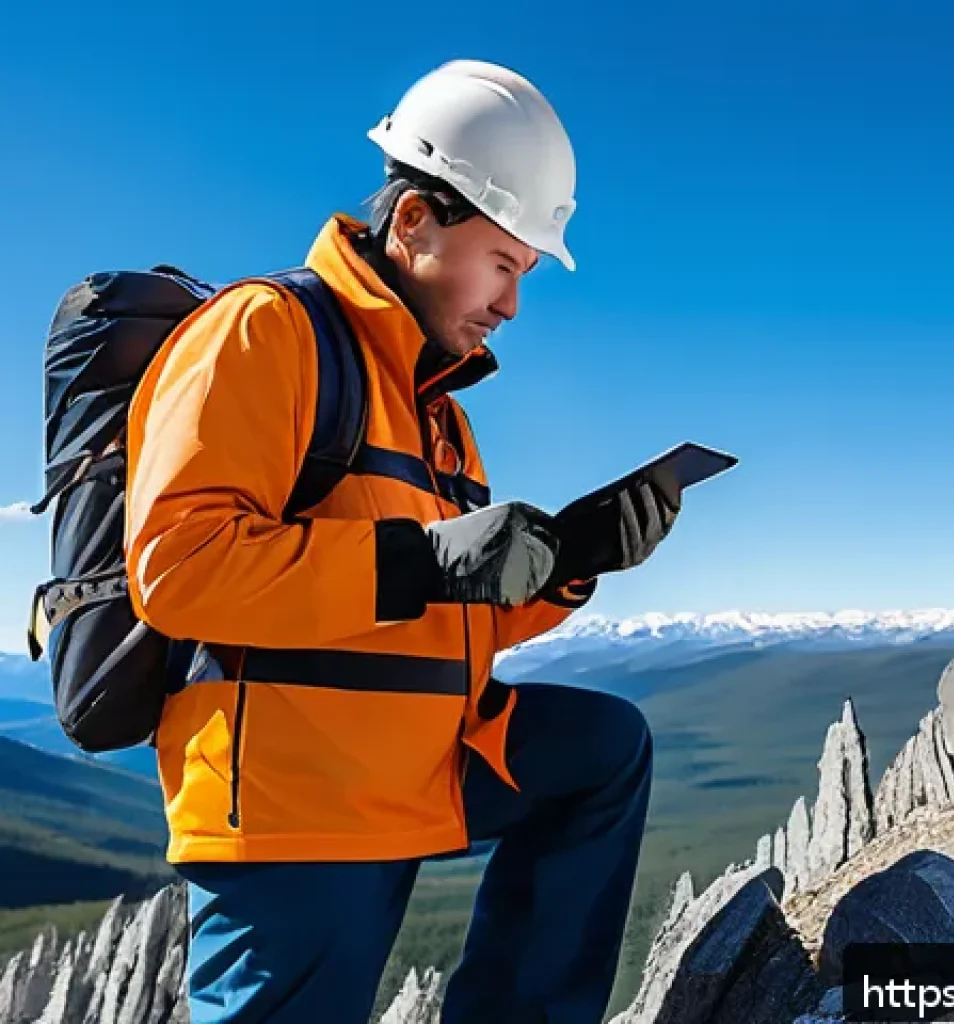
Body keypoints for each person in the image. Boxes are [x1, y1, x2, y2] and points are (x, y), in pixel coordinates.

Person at [123, 59, 682, 1024]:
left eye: (524, 275)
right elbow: (179, 569)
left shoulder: (437, 412)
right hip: (300, 808)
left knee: (601, 748)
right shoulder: (266, 332)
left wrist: (570, 565)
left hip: (417, 763)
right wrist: (422, 559)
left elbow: (447, 621)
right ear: (416, 220)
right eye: (505, 263)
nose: (512, 304)